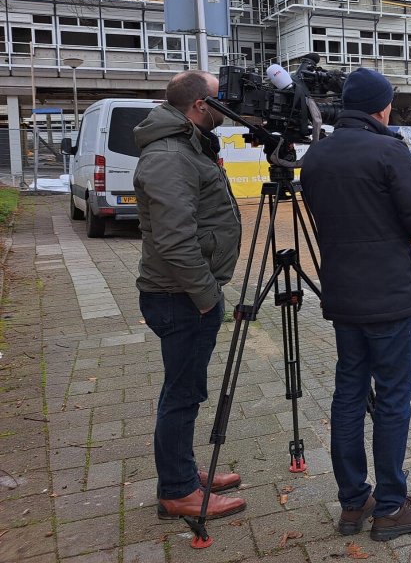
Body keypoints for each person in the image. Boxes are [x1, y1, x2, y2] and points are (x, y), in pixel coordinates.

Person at [300, 67, 411, 542]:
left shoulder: (316, 156)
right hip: (389, 298)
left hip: (342, 296)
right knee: (393, 400)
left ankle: (351, 500)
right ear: (381, 107)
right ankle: (390, 506)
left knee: (348, 395)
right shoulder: (389, 150)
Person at [133, 70, 245, 520]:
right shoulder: (169, 156)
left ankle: (182, 471)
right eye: (221, 101)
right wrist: (204, 296)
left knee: (185, 391)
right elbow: (174, 239)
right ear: (200, 105)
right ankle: (177, 491)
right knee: (182, 394)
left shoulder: (186, 146)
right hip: (179, 296)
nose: (226, 108)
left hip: (183, 293)